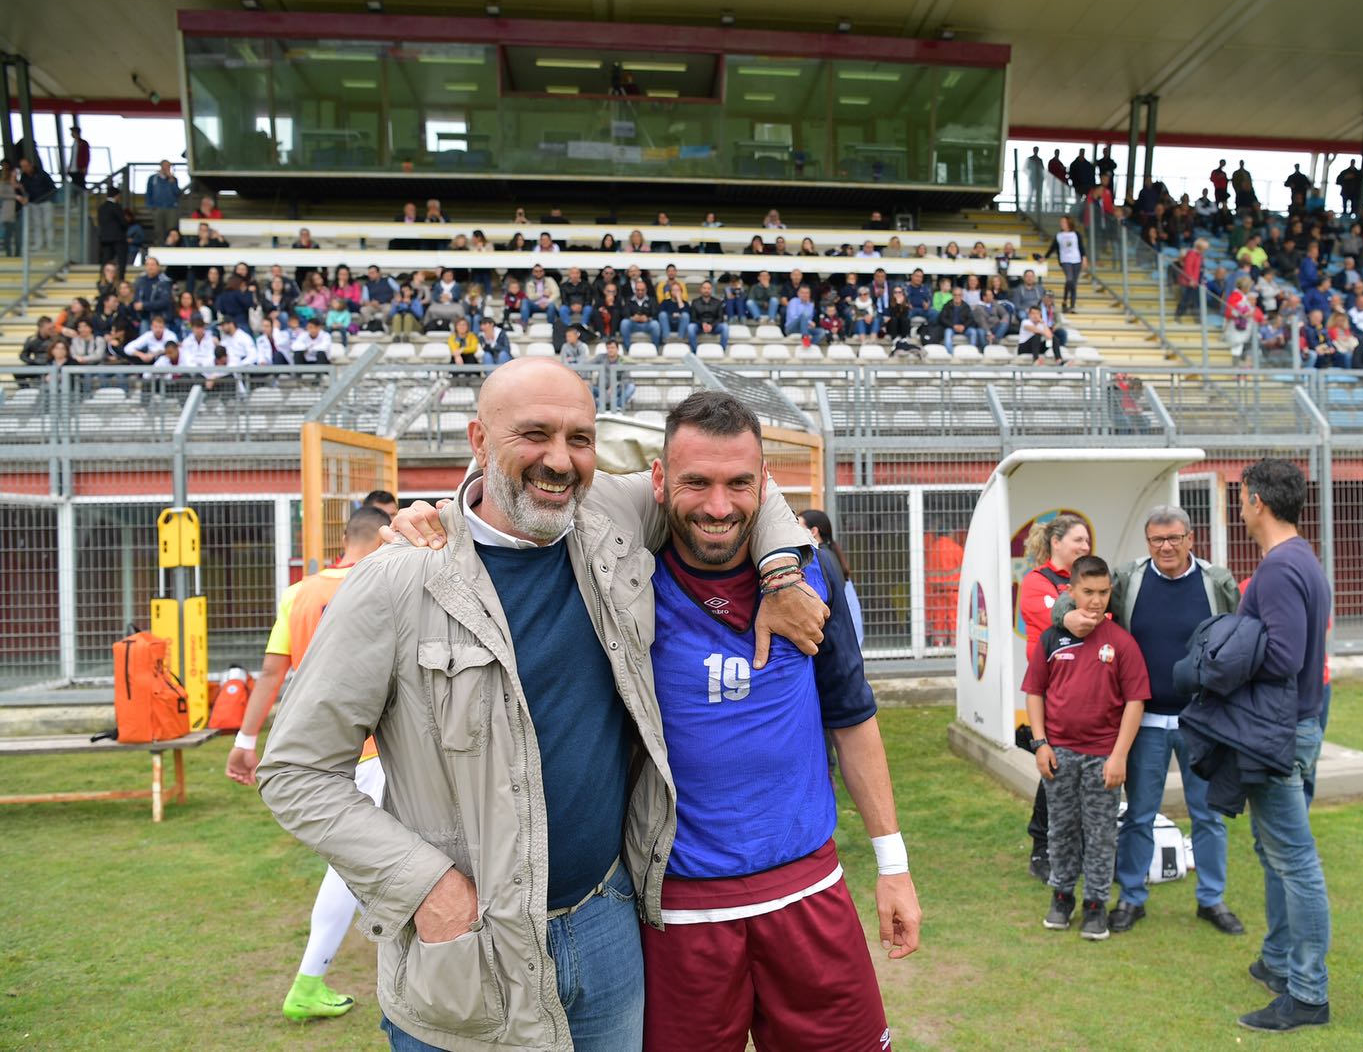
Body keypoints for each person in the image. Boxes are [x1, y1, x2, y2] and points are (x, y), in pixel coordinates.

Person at [258, 361, 825, 1052]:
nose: (559, 460)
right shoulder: (397, 581)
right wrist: (427, 888)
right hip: (470, 948)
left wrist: (780, 573)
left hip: (607, 926)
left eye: (579, 439)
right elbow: (294, 771)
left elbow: (739, 482)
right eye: (533, 435)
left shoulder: (608, 520)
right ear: (479, 440)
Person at [636, 394, 919, 1050]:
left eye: (739, 483)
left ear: (763, 484)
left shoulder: (811, 576)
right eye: (696, 482)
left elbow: (852, 719)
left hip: (807, 891)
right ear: (659, 479)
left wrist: (893, 865)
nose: (718, 506)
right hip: (681, 910)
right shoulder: (621, 580)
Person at [226, 506, 390, 1022]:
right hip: (373, 750)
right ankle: (308, 981)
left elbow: (272, 673)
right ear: (381, 537)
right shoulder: (385, 582)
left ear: (345, 538)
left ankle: (382, 961)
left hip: (321, 753)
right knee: (354, 866)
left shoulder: (298, 593)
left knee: (364, 862)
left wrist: (245, 739)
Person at [1221, 459, 1333, 1032]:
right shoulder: (1299, 559)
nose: (1239, 507)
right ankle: (1278, 961)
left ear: (1257, 500)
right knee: (1275, 852)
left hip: (1279, 732)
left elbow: (1284, 656)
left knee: (1295, 861)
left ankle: (1308, 994)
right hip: (1295, 725)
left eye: (1241, 497)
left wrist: (1222, 658)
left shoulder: (1281, 568)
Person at [1105, 505, 1243, 936]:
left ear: (1190, 539)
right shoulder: (1128, 580)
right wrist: (1064, 615)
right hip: (1144, 721)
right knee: (1139, 815)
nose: (1166, 546)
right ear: (1147, 542)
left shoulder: (1216, 582)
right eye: (1157, 539)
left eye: (1174, 538)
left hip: (1201, 721)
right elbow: (1082, 598)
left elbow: (1240, 635)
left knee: (1209, 815)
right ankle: (1131, 897)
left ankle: (1212, 899)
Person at [1023, 555, 1149, 941]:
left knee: (1100, 833)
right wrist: (1040, 743)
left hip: (1102, 758)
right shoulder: (1052, 638)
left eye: (1103, 592)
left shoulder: (1121, 642)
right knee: (1061, 829)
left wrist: (1119, 755)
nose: (1095, 601)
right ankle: (1062, 898)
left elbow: (1135, 701)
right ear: (1071, 591)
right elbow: (1035, 692)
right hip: (1059, 754)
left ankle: (1095, 905)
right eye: (1088, 592)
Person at [1017, 515, 1093, 880]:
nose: (1085, 546)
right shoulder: (1036, 581)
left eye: (1087, 541)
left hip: (1087, 689)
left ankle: (1076, 847)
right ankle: (1041, 848)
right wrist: (1082, 616)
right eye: (1078, 540)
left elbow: (1101, 619)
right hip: (1052, 691)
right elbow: (1066, 620)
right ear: (1056, 543)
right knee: (1056, 768)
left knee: (1083, 770)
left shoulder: (1084, 581)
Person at [798, 508, 865, 647]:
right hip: (845, 640)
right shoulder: (831, 555)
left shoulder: (817, 559)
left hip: (834, 642)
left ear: (813, 531)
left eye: (798, 526)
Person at [1054, 216, 1083, 312]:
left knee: (1074, 283)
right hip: (1065, 260)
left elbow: (1081, 247)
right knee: (1069, 279)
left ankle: (1072, 305)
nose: (1062, 224)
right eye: (1061, 222)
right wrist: (1045, 257)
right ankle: (1065, 299)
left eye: (1064, 222)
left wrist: (1084, 257)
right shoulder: (1059, 235)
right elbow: (1053, 247)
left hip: (1076, 260)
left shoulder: (1076, 234)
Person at [97, 187, 129, 274]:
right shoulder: (116, 207)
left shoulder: (101, 207)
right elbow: (123, 222)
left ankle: (103, 278)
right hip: (118, 238)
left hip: (105, 238)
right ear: (117, 196)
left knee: (105, 260)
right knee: (121, 260)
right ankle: (120, 278)